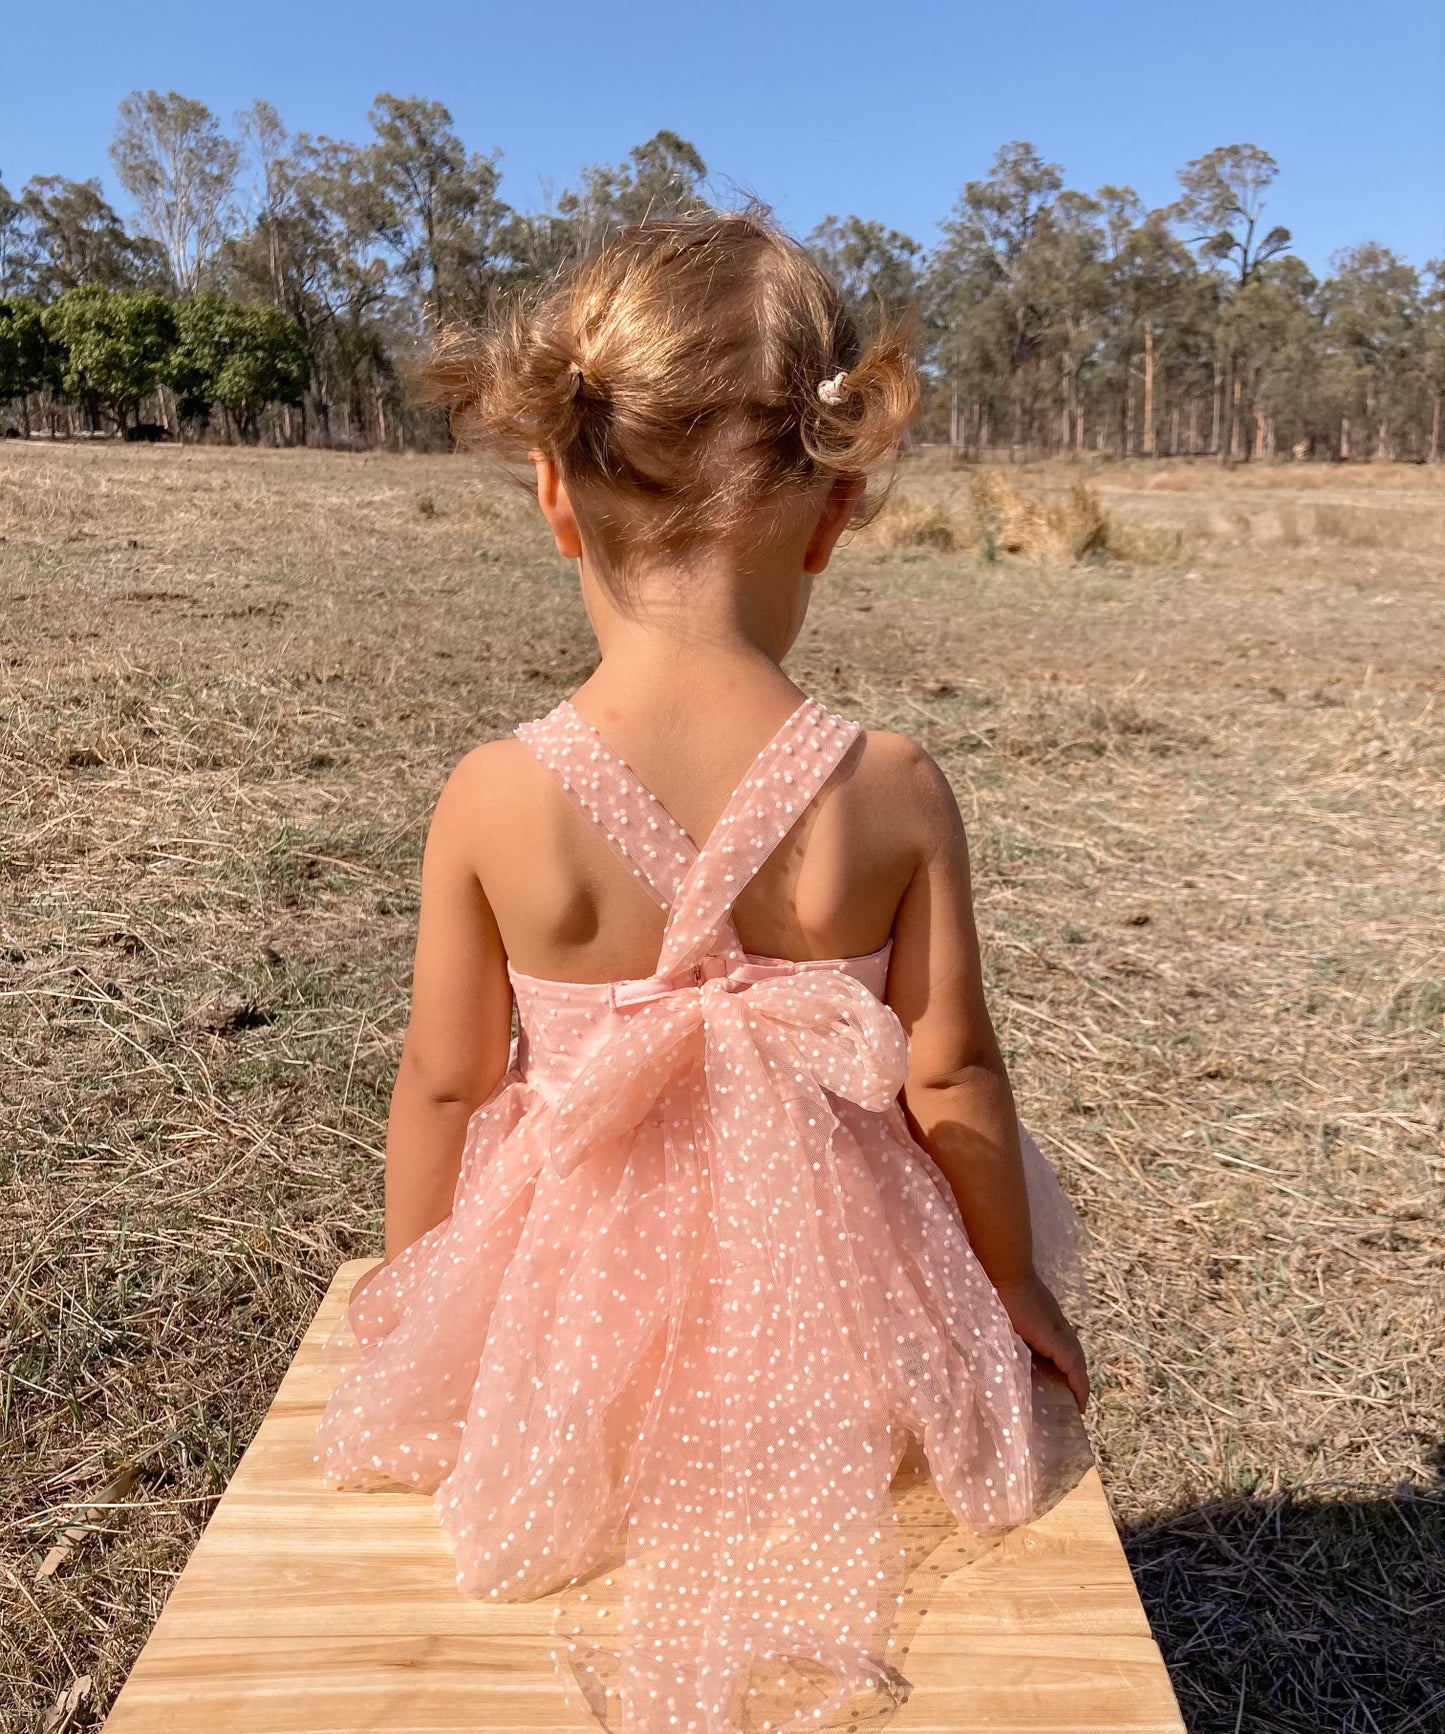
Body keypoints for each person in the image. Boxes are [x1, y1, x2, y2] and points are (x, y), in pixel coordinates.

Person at [317, 209, 1088, 1734]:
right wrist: (1005, 1282)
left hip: (571, 1327)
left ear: (552, 493)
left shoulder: (495, 792)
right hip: (839, 1339)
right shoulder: (891, 786)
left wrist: (425, 1305)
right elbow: (951, 1077)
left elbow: (449, 1080)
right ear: (833, 509)